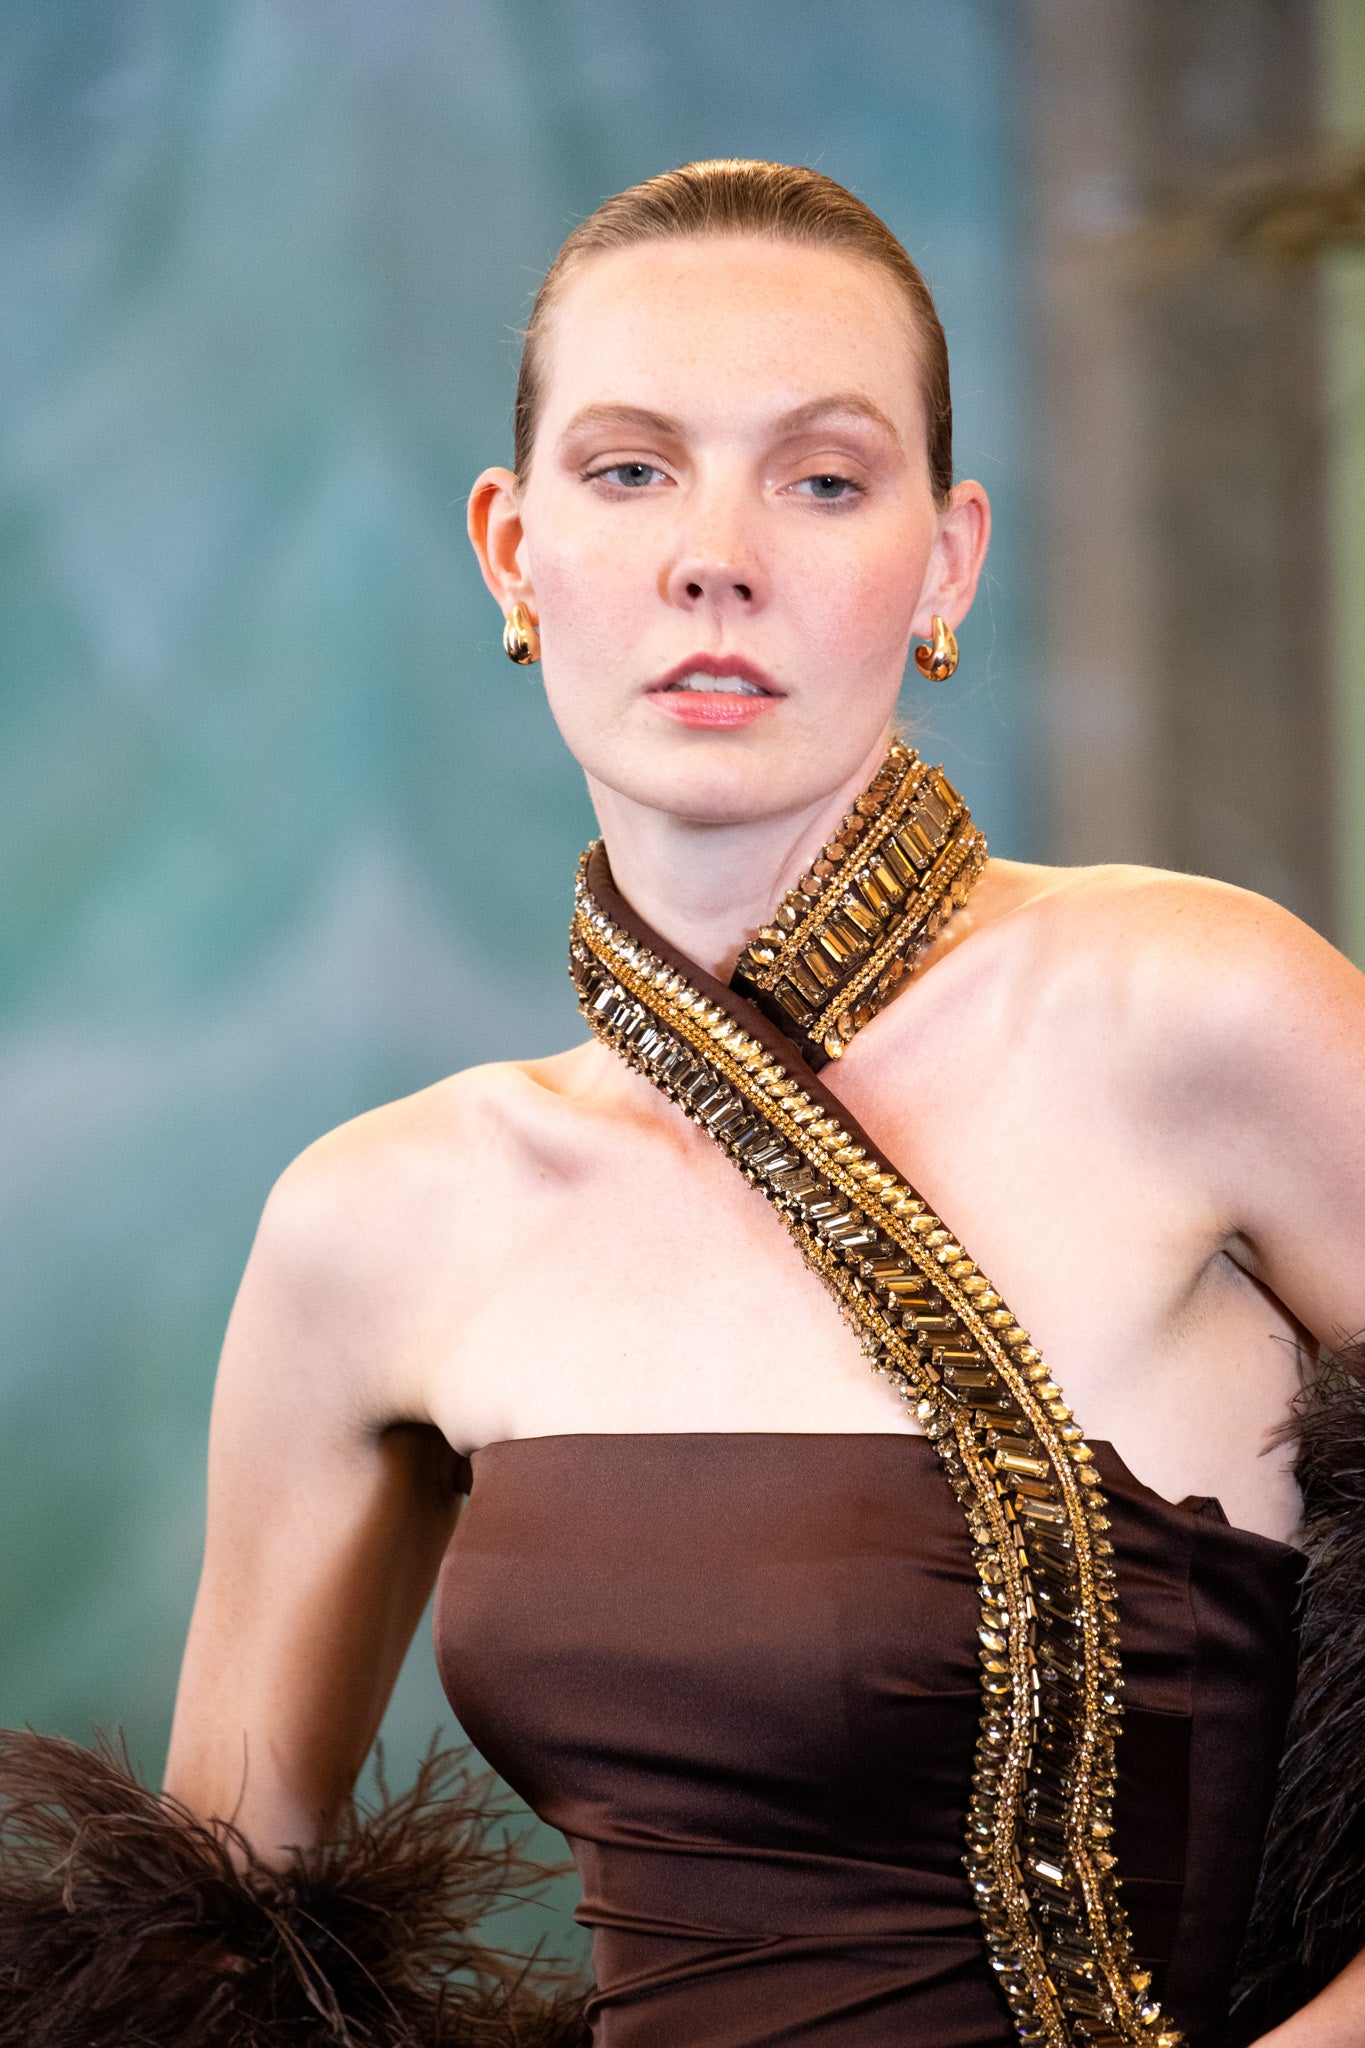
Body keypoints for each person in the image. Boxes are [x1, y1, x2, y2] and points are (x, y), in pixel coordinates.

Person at [2, 159, 1364, 2048]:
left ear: (947, 560)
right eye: (631, 469)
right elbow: (211, 1970)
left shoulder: (1196, 1010)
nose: (716, 556)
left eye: (823, 479)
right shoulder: (380, 1222)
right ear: (511, 550)